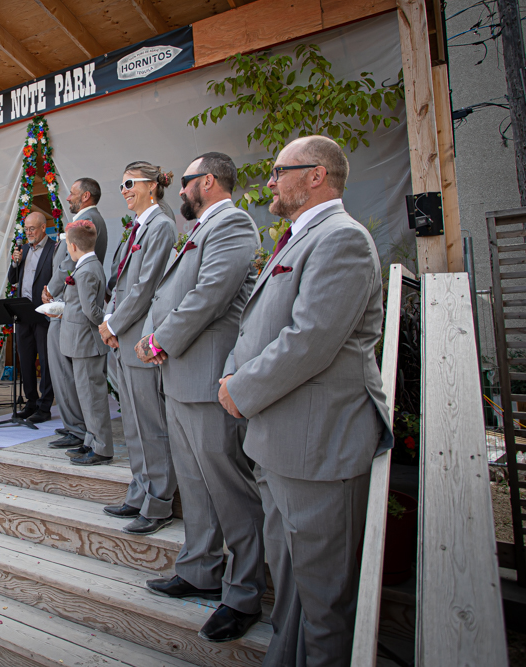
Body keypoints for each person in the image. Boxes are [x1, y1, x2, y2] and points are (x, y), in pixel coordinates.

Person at [219, 136, 392, 666]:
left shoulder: (343, 239)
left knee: (323, 604)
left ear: (316, 175)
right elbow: (257, 324)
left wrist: (240, 389)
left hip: (318, 449)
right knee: (291, 592)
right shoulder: (301, 236)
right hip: (279, 443)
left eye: (279, 170)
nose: (270, 181)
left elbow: (309, 340)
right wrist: (233, 372)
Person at [136, 153, 266, 642]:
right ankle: (200, 569)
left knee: (228, 487)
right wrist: (157, 338)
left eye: (186, 181)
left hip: (208, 378)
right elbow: (172, 293)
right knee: (194, 484)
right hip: (180, 377)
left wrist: (160, 340)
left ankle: (244, 592)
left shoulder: (232, 224)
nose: (180, 189)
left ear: (207, 181)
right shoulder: (201, 227)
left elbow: (210, 295)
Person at [98, 161, 177, 536]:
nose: (124, 191)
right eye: (122, 185)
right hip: (123, 336)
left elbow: (146, 286)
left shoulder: (161, 224)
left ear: (152, 186)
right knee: (132, 422)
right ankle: (140, 492)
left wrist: (113, 324)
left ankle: (159, 502)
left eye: (129, 183)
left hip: (140, 336)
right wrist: (110, 320)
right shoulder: (140, 226)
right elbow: (120, 283)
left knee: (150, 424)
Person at [43, 178, 108, 449]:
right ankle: (76, 426)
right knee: (69, 374)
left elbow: (70, 263)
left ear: (86, 196)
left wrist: (51, 288)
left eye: (72, 193)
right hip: (70, 306)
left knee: (67, 372)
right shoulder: (90, 218)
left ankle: (78, 428)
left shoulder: (88, 220)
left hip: (71, 309)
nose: (68, 198)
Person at [51, 220, 113, 466]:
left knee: (92, 398)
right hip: (80, 342)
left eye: (67, 244)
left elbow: (91, 311)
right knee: (86, 397)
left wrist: (106, 326)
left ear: (73, 246)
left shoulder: (86, 270)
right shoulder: (87, 265)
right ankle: (91, 440)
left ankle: (102, 448)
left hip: (86, 342)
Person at [7, 211, 56, 423]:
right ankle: (31, 402)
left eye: (32, 229)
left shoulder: (54, 248)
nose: (28, 233)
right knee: (26, 360)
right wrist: (15, 263)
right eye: (26, 229)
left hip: (43, 313)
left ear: (43, 228)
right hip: (23, 313)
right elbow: (12, 279)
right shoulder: (23, 249)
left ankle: (45, 407)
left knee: (45, 361)